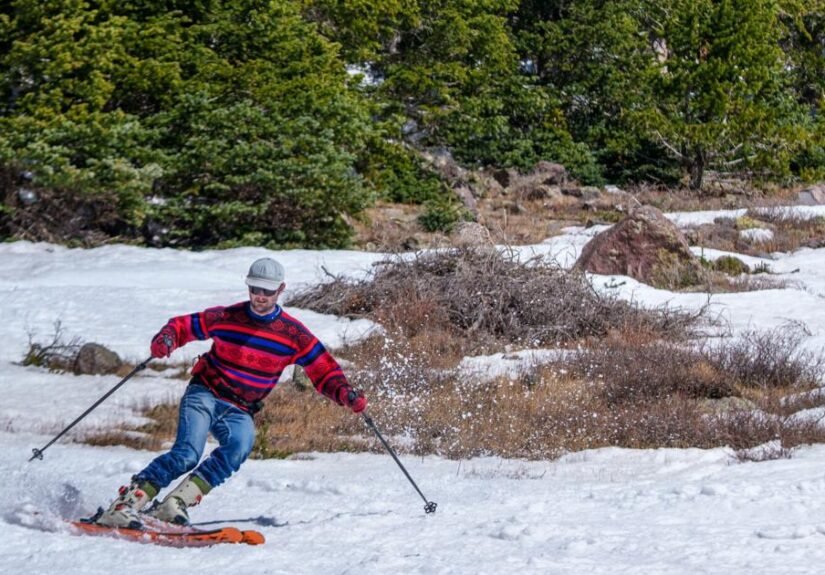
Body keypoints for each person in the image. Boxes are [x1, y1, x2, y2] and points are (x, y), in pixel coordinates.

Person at [96, 257, 367, 528]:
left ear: (280, 289)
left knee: (239, 445)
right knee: (187, 454)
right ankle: (126, 504)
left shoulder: (294, 334)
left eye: (267, 291)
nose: (260, 297)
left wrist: (346, 394)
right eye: (254, 289)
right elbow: (183, 326)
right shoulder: (227, 317)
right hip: (205, 393)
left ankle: (175, 503)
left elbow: (323, 370)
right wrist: (166, 339)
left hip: (239, 408)